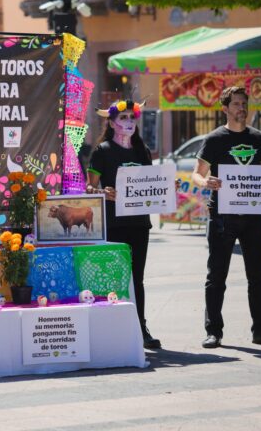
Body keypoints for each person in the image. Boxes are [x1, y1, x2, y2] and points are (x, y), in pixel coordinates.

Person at [192, 86, 261, 349]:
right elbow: (197, 173)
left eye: (244, 103)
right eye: (236, 103)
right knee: (216, 276)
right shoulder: (214, 139)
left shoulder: (259, 139)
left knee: (257, 275)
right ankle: (214, 331)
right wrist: (206, 181)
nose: (241, 108)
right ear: (225, 108)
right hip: (222, 216)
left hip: (253, 216)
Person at [86, 99, 161, 350]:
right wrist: (102, 192)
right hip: (114, 223)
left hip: (140, 223)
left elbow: (151, 182)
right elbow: (89, 187)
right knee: (115, 278)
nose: (129, 122)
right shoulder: (102, 151)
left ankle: (141, 328)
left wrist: (164, 189)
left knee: (137, 278)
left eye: (132, 117)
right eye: (124, 117)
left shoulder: (142, 150)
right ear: (111, 122)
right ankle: (113, 330)